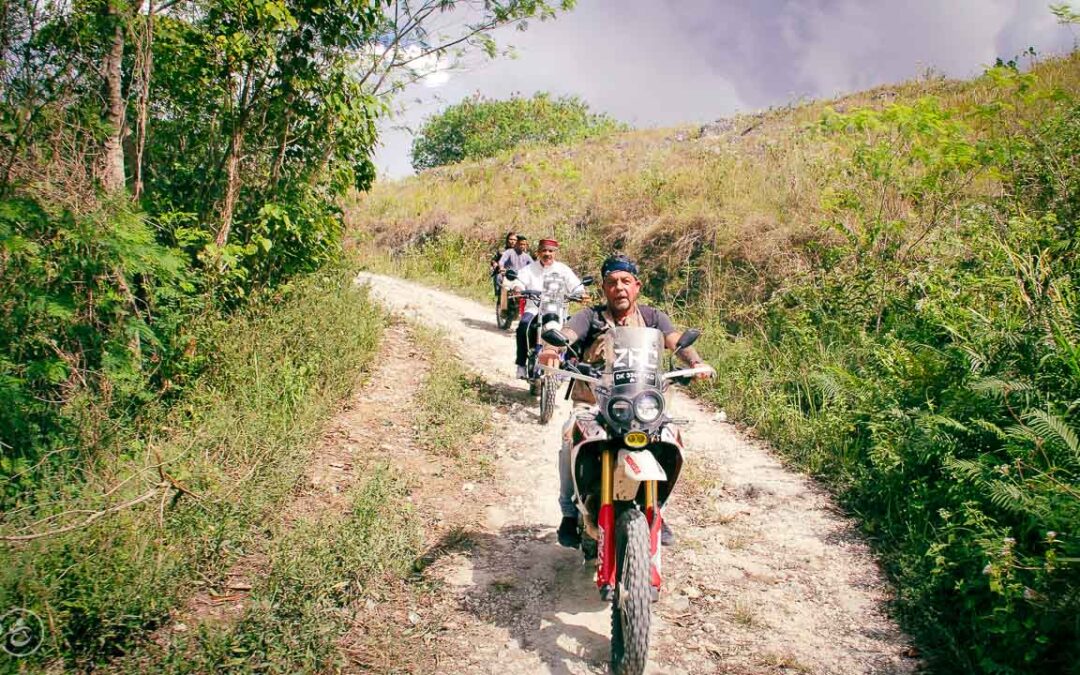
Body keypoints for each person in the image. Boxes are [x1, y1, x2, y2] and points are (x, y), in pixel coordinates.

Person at [538, 253, 715, 548]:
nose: (619, 287)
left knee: (670, 440)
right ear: (604, 288)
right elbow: (567, 333)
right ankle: (569, 514)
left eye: (625, 281)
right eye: (611, 282)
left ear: (637, 286)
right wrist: (550, 350)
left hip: (642, 404)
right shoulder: (590, 317)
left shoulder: (652, 318)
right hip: (593, 404)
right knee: (569, 436)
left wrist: (696, 362)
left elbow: (675, 341)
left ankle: (656, 505)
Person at [504, 238, 584, 380]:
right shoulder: (529, 269)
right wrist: (517, 288)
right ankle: (521, 364)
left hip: (558, 311)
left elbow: (577, 286)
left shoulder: (563, 270)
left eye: (550, 251)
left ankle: (568, 364)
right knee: (523, 327)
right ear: (538, 252)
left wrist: (580, 293)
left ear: (555, 253)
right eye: (544, 250)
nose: (547, 254)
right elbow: (519, 281)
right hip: (534, 308)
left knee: (575, 331)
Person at [490, 232, 518, 297]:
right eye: (511, 239)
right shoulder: (501, 251)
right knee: (502, 299)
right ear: (507, 240)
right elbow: (493, 260)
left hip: (515, 277)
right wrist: (495, 264)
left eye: (515, 240)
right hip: (502, 276)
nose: (512, 241)